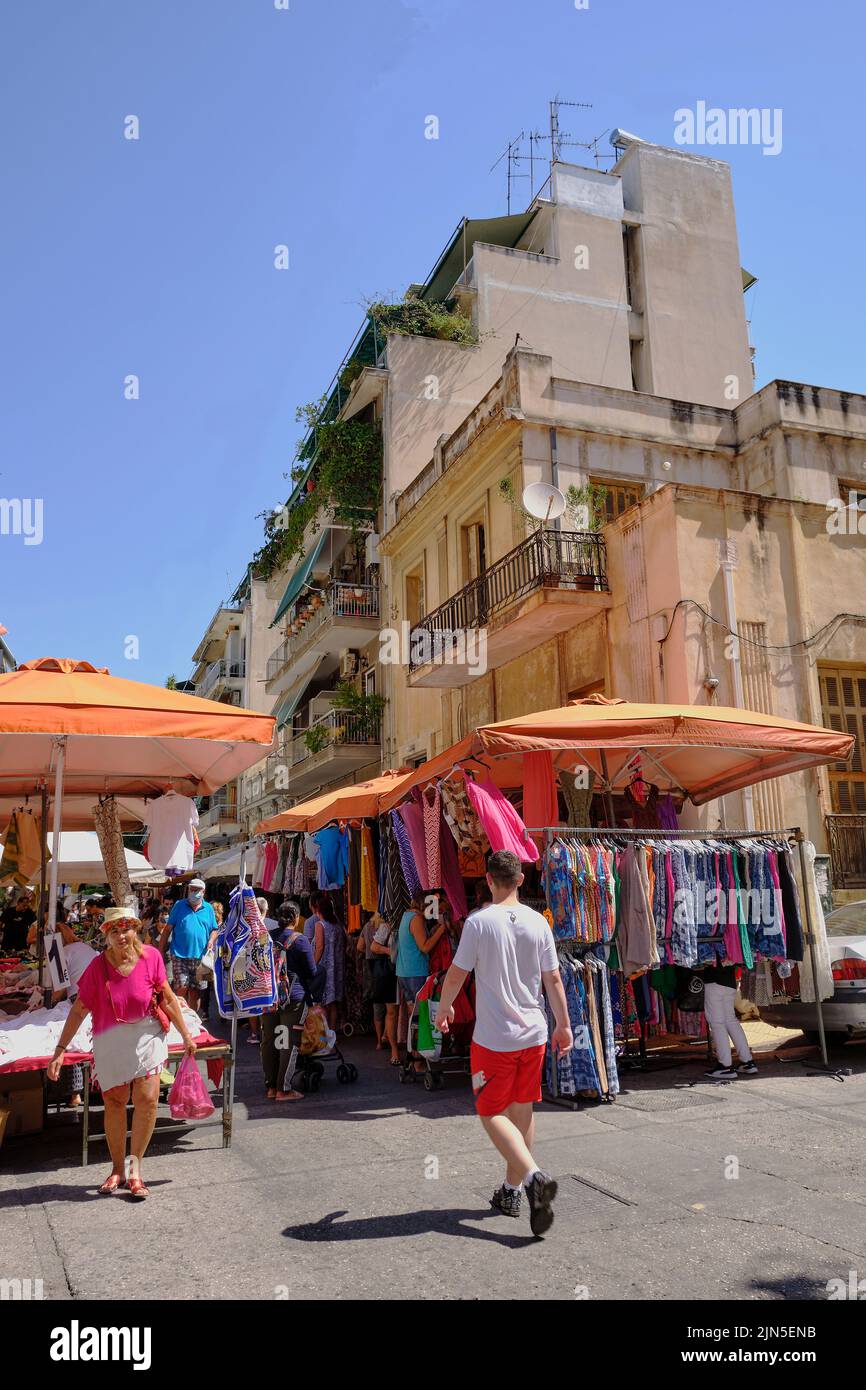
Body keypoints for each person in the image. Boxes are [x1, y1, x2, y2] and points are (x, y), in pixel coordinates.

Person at [434, 849, 573, 1237]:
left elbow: (456, 974)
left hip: (494, 1039)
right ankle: (512, 1191)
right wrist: (564, 1024)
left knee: (489, 1111)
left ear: (490, 880)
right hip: (534, 1034)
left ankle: (532, 1177)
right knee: (522, 1110)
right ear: (522, 880)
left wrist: (443, 1010)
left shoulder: (479, 923)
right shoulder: (538, 923)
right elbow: (554, 980)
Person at [47, 906, 197, 1199]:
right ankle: (117, 1168)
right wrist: (60, 1050)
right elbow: (79, 1010)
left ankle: (134, 1169)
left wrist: (186, 1034)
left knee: (147, 1100)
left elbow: (167, 997)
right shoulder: (97, 967)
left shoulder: (151, 957)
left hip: (146, 1036)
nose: (120, 935)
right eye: (113, 930)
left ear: (135, 930)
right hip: (109, 1039)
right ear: (106, 936)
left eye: (125, 929)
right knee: (115, 1103)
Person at [28, 904, 97, 1108]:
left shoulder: (59, 954)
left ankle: (74, 1093)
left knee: (67, 1037)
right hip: (96, 1000)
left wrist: (45, 1006)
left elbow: (60, 990)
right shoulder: (85, 947)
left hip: (80, 1001)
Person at [260, 902, 320, 1101]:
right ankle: (283, 1090)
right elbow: (312, 972)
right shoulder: (299, 940)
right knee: (286, 1042)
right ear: (295, 917)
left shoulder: (268, 936)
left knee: (270, 1041)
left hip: (269, 997)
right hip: (292, 999)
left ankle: (270, 1087)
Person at [395, 892, 446, 1071]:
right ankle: (419, 1061)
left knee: (414, 1017)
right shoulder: (416, 919)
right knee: (420, 1017)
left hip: (405, 972)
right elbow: (424, 946)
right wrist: (442, 929)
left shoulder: (407, 915)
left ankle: (415, 1059)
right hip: (414, 973)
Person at [158, 877, 218, 1017]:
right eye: (192, 889)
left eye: (197, 890)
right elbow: (167, 930)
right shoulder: (179, 905)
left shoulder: (208, 908)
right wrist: (160, 953)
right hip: (179, 954)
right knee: (182, 987)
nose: (194, 892)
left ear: (203, 892)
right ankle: (178, 1018)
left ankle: (192, 1020)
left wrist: (211, 940)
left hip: (200, 957)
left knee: (196, 992)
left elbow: (214, 929)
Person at [702, 962, 758, 1080]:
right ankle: (747, 1062)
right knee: (730, 1020)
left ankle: (725, 1066)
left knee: (717, 1023)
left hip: (714, 979)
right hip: (730, 980)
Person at [306, 892, 345, 1033]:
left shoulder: (320, 925)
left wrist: (313, 966)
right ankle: (332, 1034)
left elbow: (320, 947)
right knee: (332, 1002)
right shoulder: (337, 926)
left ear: (319, 910)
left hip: (323, 968)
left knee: (322, 1003)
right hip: (336, 969)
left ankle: (324, 1033)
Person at [367, 912, 400, 1064]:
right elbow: (374, 946)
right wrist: (390, 951)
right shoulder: (388, 926)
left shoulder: (417, 921)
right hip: (392, 972)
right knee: (392, 1012)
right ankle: (394, 1051)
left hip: (409, 970)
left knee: (408, 1011)